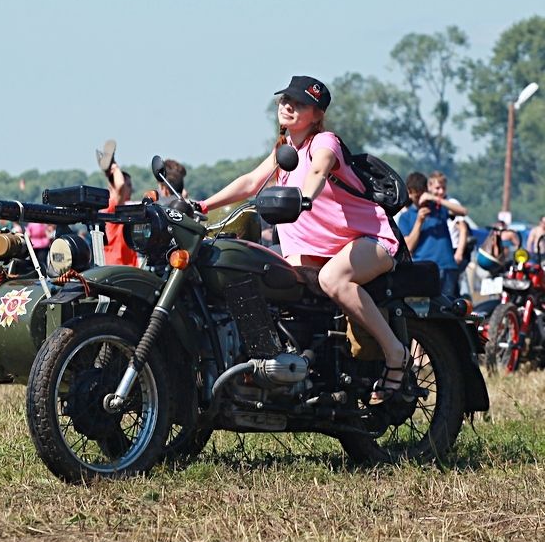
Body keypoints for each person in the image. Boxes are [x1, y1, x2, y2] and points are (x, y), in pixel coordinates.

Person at [198, 75, 408, 404]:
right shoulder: (284, 152)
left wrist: (305, 197)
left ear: (316, 114)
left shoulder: (324, 142)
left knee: (334, 278)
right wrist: (203, 205)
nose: (289, 106)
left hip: (371, 239)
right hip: (316, 251)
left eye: (300, 104)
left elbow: (319, 171)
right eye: (285, 100)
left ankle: (396, 354)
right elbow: (252, 181)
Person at [397, 172, 466, 298]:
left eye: (421, 195)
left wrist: (436, 199)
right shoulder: (405, 217)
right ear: (410, 193)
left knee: (448, 309)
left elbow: (462, 212)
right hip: (422, 268)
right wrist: (419, 221)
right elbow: (408, 247)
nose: (419, 200)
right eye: (416, 196)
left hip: (446, 267)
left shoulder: (438, 208)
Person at [427, 171, 472, 298]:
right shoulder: (428, 204)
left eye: (443, 188)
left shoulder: (451, 203)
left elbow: (463, 229)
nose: (441, 191)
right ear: (429, 187)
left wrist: (459, 253)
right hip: (436, 253)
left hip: (453, 250)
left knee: (449, 293)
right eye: (437, 188)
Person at [98, 156, 138, 267]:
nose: (130, 189)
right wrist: (114, 166)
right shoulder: (111, 206)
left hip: (127, 265)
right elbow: (120, 185)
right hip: (116, 265)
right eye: (128, 185)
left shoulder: (123, 207)